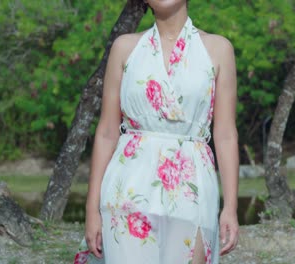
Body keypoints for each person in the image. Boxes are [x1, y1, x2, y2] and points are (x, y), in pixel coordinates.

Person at [83, 0, 239, 263]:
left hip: (192, 190)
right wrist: (92, 208)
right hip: (127, 190)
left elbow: (225, 135)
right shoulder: (125, 48)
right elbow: (107, 132)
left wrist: (231, 208)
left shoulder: (218, 49)